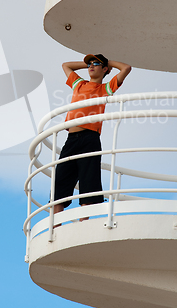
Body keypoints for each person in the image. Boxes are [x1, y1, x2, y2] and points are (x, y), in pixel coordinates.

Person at [53, 54, 131, 216]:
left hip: (90, 139)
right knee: (60, 181)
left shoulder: (105, 89)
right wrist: (88, 64)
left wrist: (107, 63)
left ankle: (84, 222)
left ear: (105, 69)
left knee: (89, 181)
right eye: (90, 63)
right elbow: (66, 65)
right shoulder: (79, 84)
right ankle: (56, 226)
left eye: (96, 64)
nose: (91, 66)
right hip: (71, 140)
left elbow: (126, 68)